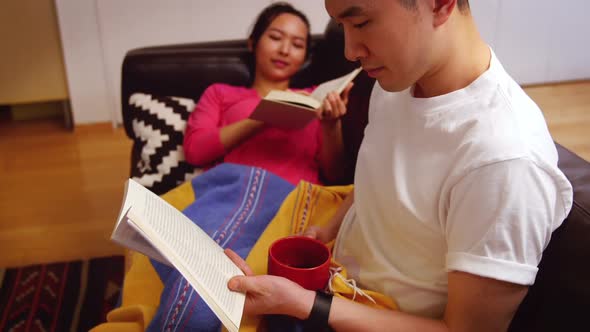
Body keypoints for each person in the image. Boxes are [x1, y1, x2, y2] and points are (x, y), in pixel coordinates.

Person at [225, 0, 574, 331]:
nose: (350, 51)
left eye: (361, 22)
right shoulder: (396, 83)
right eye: (342, 25)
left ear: (438, 4)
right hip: (332, 278)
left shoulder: (503, 161)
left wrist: (304, 305)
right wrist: (329, 230)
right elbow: (379, 177)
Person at [183, 2, 352, 185]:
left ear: (304, 57)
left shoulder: (315, 97)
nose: (284, 51)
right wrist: (266, 116)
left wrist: (331, 125)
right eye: (275, 37)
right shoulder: (220, 93)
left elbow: (334, 176)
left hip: (297, 202)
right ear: (253, 43)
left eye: (297, 45)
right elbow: (195, 152)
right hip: (234, 194)